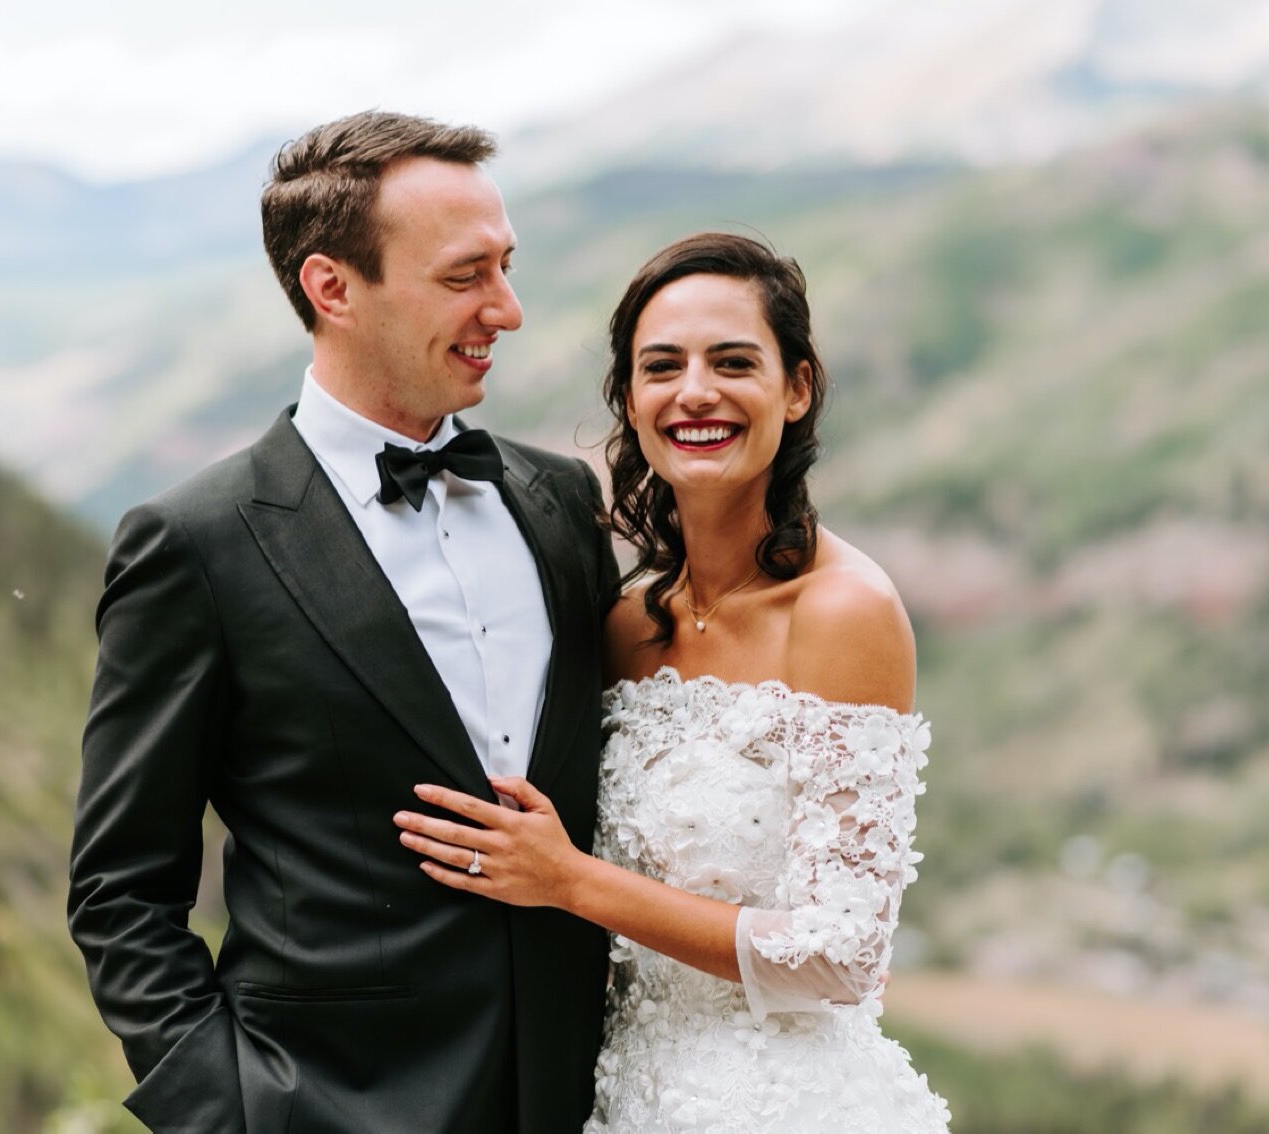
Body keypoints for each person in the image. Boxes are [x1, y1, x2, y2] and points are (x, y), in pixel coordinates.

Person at [67, 111, 618, 1133]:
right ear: (331, 289)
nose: (508, 309)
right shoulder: (195, 544)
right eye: (465, 277)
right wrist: (230, 1111)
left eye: (505, 268)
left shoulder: (560, 508)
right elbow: (120, 889)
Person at [395, 233, 952, 1131]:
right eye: (663, 367)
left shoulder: (845, 612)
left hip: (786, 1104)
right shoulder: (625, 623)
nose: (696, 392)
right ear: (631, 398)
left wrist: (572, 881)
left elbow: (844, 955)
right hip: (620, 1093)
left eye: (733, 362)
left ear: (797, 387)